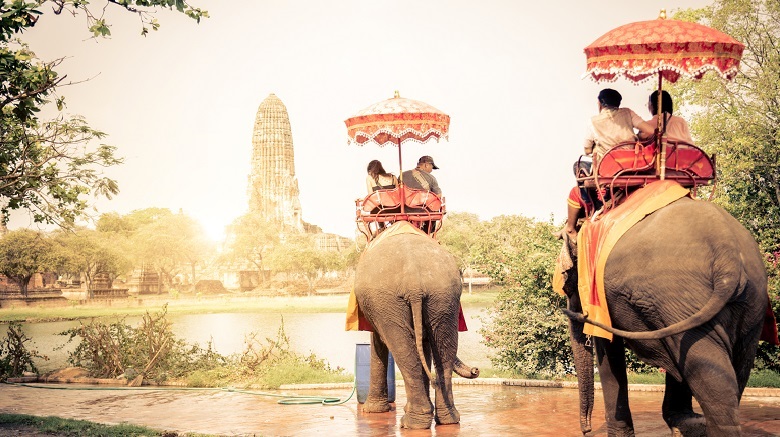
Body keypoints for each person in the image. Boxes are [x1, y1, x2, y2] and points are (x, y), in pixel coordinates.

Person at [564, 89, 655, 237]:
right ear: (618, 103)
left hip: (608, 168)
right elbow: (650, 131)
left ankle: (593, 206)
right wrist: (636, 138)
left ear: (600, 104)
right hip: (634, 165)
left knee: (578, 166)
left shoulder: (593, 121)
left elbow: (587, 149)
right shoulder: (627, 113)